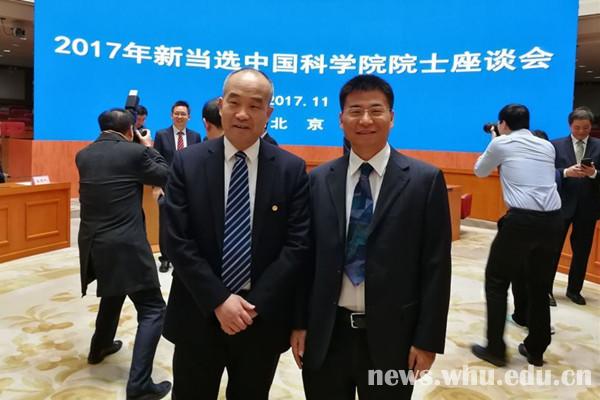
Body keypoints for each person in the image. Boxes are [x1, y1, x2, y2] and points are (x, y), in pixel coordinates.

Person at [295, 75, 452, 399]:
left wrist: (427, 340)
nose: (365, 120)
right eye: (355, 111)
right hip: (327, 336)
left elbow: (436, 266)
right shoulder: (319, 179)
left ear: (391, 117)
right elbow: (305, 258)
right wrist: (299, 323)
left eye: (375, 110)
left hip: (394, 339)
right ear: (341, 119)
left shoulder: (424, 180)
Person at [161, 68, 310, 399]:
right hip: (198, 313)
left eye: (255, 105)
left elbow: (297, 246)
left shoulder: (291, 169)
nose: (243, 114)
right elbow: (176, 240)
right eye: (234, 102)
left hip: (261, 318)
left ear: (269, 113)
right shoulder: (187, 163)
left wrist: (251, 306)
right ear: (221, 106)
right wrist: (219, 300)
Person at [76, 108, 171, 400]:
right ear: (130, 130)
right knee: (153, 309)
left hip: (93, 244)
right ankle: (139, 384)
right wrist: (149, 147)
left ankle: (99, 346)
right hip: (126, 245)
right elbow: (165, 174)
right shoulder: (135, 153)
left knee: (113, 291)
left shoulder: (83, 155)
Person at [471, 104, 562, 367]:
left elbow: (480, 171)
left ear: (503, 123)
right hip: (553, 221)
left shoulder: (501, 143)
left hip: (521, 221)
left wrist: (494, 140)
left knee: (497, 281)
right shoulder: (546, 146)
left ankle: (495, 350)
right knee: (540, 286)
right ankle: (536, 349)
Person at [550, 108, 599, 306]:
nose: (581, 132)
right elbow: (547, 172)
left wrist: (594, 174)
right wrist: (565, 172)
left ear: (591, 126)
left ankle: (574, 290)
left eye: (586, 128)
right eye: (577, 127)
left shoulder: (599, 146)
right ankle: (546, 290)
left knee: (582, 252)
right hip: (560, 205)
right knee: (552, 250)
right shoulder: (555, 145)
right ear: (570, 125)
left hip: (588, 207)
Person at [153, 100, 202, 273]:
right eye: (177, 113)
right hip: (167, 187)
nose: (179, 116)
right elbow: (155, 161)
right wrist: (156, 186)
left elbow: (199, 162)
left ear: (189, 117)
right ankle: (165, 258)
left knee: (188, 222)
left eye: (183, 114)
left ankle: (184, 256)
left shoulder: (195, 136)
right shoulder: (161, 135)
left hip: (189, 186)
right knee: (165, 223)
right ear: (171, 115)